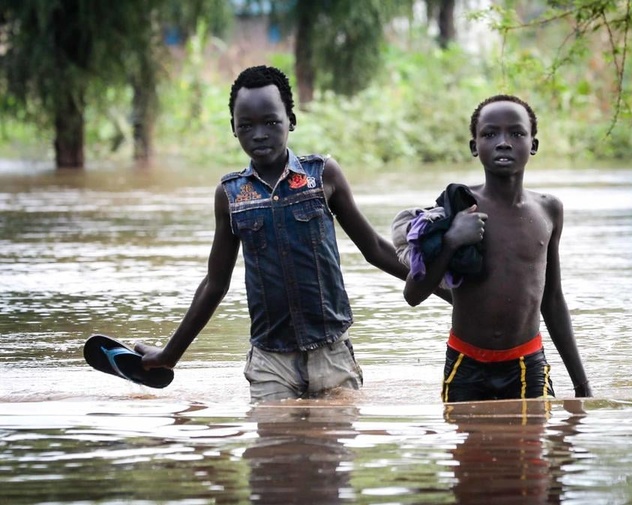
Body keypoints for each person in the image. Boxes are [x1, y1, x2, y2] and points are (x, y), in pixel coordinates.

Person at [135, 65, 445, 402]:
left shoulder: (322, 175)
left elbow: (374, 249)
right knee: (273, 448)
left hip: (332, 352)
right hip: (270, 361)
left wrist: (450, 295)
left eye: (271, 122)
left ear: (291, 121)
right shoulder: (231, 195)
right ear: (233, 129)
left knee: (330, 446)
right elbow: (215, 284)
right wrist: (169, 355)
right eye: (246, 126)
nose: (259, 134)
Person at [404, 94, 592, 402]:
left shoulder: (549, 210)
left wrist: (581, 383)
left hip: (526, 363)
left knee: (533, 448)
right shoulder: (457, 206)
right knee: (469, 448)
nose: (503, 142)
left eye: (516, 133)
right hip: (465, 364)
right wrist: (451, 240)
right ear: (474, 146)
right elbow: (413, 294)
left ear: (533, 145)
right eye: (490, 134)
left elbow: (553, 300)